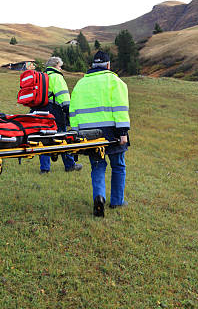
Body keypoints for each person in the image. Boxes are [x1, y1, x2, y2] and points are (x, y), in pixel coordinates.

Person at [69, 51, 130, 217]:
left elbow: (72, 111)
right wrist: (123, 132)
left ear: (92, 66)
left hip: (88, 134)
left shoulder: (80, 84)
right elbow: (120, 108)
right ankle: (117, 201)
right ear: (108, 65)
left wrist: (76, 132)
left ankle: (99, 197)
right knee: (118, 165)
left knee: (97, 166)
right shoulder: (115, 81)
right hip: (112, 133)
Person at [37, 57, 82, 174]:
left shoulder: (41, 76)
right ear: (56, 65)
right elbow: (63, 95)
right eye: (60, 66)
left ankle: (45, 168)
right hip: (55, 111)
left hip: (39, 110)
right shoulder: (56, 77)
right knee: (62, 137)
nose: (61, 69)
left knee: (44, 138)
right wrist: (68, 111)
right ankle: (70, 165)